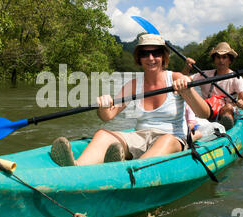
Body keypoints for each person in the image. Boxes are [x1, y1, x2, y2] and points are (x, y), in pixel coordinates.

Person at [50, 34, 211, 167]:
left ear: (163, 57)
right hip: (140, 137)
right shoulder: (133, 85)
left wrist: (187, 90)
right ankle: (76, 168)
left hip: (172, 138)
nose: (150, 58)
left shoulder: (177, 78)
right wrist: (103, 105)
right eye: (144, 54)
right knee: (102, 134)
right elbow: (107, 117)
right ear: (139, 58)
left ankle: (129, 172)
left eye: (156, 53)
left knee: (166, 140)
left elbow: (204, 114)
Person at [182, 42, 243, 130]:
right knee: (189, 100)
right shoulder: (205, 75)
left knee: (228, 108)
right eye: (218, 57)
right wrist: (187, 68)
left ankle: (226, 126)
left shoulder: (236, 78)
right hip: (207, 110)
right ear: (214, 59)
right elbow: (183, 81)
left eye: (224, 57)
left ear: (230, 60)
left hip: (225, 111)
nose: (221, 60)